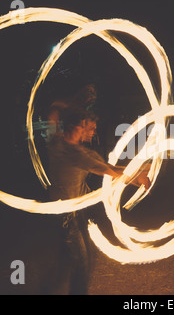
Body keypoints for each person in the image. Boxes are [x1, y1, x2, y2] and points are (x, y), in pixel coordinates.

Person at [46, 108, 150, 294]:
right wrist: (136, 176)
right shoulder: (67, 151)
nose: (94, 132)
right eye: (91, 127)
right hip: (66, 215)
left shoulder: (77, 149)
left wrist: (137, 170)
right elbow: (103, 170)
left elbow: (108, 167)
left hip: (77, 211)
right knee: (81, 263)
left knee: (71, 260)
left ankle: (55, 289)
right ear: (78, 126)